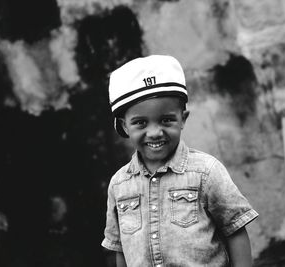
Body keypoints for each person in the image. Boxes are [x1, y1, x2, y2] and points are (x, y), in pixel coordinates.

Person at [102, 55, 258, 267]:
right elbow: (120, 248)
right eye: (140, 123)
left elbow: (235, 230)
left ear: (183, 118)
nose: (155, 132)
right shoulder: (119, 185)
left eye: (167, 120)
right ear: (125, 126)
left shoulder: (206, 172)